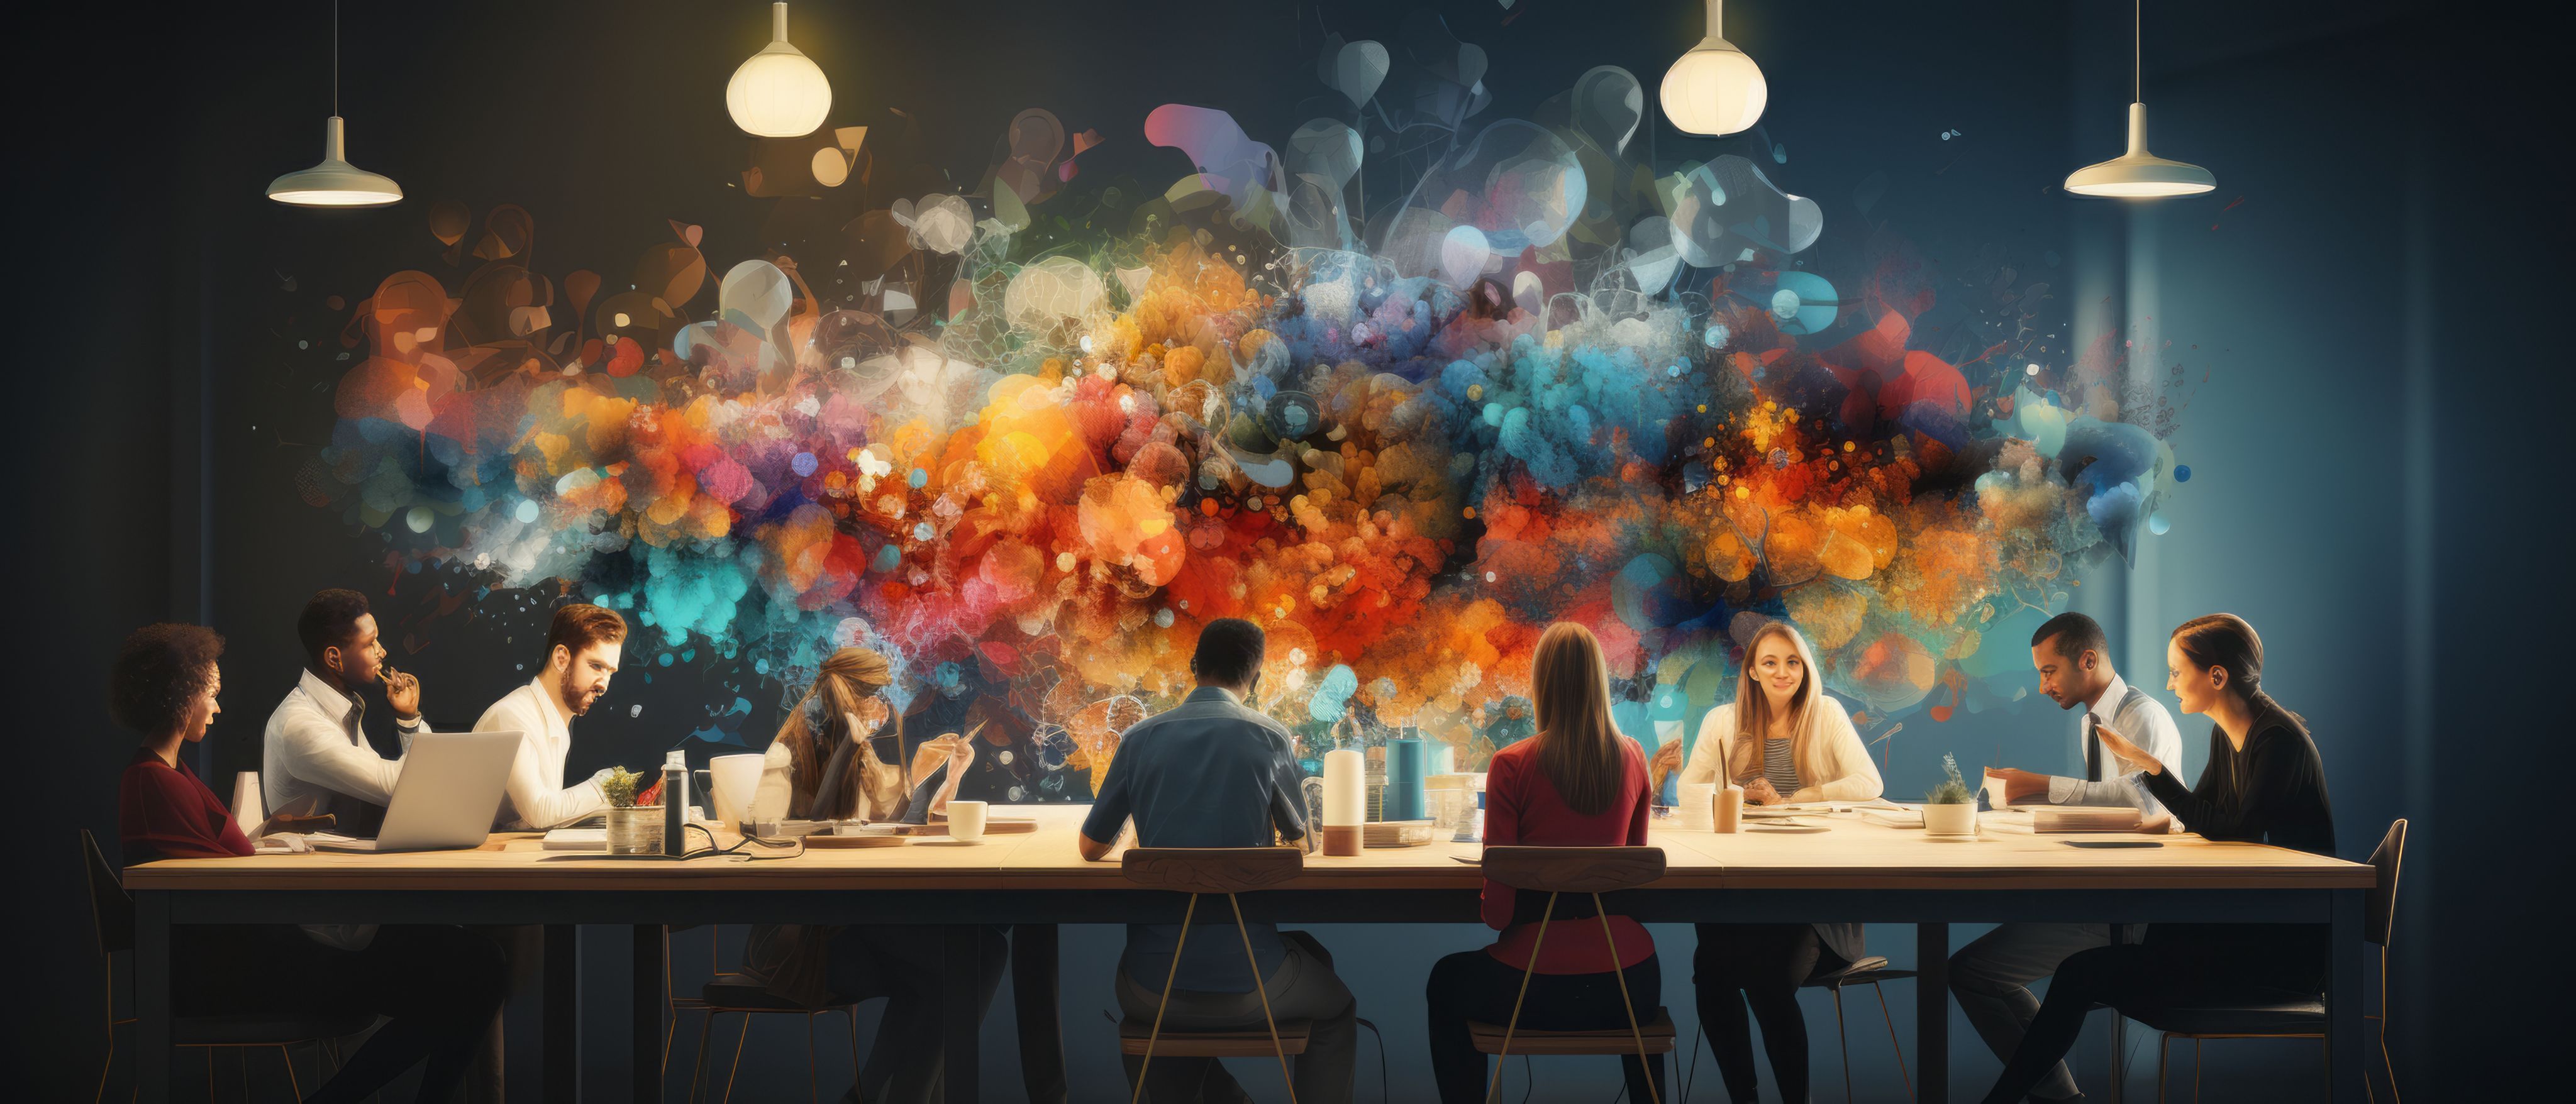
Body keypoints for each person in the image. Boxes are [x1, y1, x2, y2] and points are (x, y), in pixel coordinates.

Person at [113, 622, 506, 1104]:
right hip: (244, 972)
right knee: (478, 969)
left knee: (474, 967)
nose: (217, 707)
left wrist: (265, 836)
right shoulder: (157, 781)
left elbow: (210, 861)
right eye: (210, 694)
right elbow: (203, 883)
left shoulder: (165, 773)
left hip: (249, 953)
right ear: (180, 697)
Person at [1980, 614, 2336, 1104]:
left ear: (2216, 677)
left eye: (2176, 671)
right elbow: (2202, 817)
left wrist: (2151, 768)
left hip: (2278, 956)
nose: (2169, 684)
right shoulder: (2229, 735)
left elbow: (2236, 830)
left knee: (2081, 973)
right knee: (2085, 970)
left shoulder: (2279, 741)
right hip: (2244, 927)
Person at [1077, 617, 1358, 1104]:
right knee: (1336, 1008)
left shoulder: (1139, 738)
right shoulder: (1270, 737)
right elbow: (1302, 845)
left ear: (1194, 666)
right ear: (1257, 677)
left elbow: (1089, 848)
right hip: (1253, 985)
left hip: (1150, 989)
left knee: (1182, 1009)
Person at [735, 646, 1004, 1104]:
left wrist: (944, 778)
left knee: (975, 955)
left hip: (856, 922)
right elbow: (773, 844)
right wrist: (844, 753)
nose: (884, 708)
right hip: (803, 943)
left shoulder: (865, 758)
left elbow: (889, 826)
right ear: (857, 698)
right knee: (964, 963)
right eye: (877, 697)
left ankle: (869, 1094)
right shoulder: (787, 754)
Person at [1950, 611, 2184, 1104]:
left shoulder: (2142, 716)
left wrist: (2040, 786)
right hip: (2104, 891)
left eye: (2049, 671)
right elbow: (2107, 809)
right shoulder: (2090, 723)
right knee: (1974, 970)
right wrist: (2030, 808)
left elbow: (2145, 803)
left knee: (1972, 972)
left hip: (2129, 910)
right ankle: (2059, 1097)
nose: (2043, 686)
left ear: (2088, 660)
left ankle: (2060, 1099)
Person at [1424, 623, 1664, 1103]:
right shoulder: (1635, 757)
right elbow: (1631, 876)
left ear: (1542, 684)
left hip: (1530, 986)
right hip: (1630, 984)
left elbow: (1498, 916)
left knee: (1445, 979)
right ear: (1599, 681)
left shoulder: (1511, 764)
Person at [1667, 619, 1882, 1103]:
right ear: (1752, 671)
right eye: (1770, 663)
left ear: (1805, 669)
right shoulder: (1723, 720)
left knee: (1760, 977)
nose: (1783, 672)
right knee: (1711, 971)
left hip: (1816, 905)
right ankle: (1744, 1097)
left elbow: (1869, 784)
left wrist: (1794, 799)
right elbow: (1688, 790)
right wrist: (1738, 795)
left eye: (1792, 662)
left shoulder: (1826, 714)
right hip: (1745, 893)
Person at [261, 588, 428, 825]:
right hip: (313, 851)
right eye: (370, 644)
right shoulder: (300, 726)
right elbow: (401, 787)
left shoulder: (342, 708)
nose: (382, 651)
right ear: (334, 659)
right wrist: (410, 724)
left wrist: (408, 716)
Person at [471, 602, 626, 830]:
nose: (604, 685)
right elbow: (539, 813)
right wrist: (608, 785)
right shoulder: (513, 717)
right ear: (561, 659)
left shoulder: (553, 719)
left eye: (610, 672)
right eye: (596, 666)